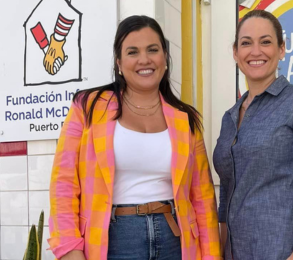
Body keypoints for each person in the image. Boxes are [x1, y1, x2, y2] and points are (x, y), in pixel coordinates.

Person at [48, 15, 221, 260]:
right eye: (132, 52)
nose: (144, 59)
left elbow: (203, 198)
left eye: (153, 49)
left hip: (176, 239)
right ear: (118, 62)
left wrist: (212, 256)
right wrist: (68, 248)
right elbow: (63, 184)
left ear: (165, 58)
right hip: (112, 239)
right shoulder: (87, 107)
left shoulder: (186, 118)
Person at [213, 10, 293, 260]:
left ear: (281, 49)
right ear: (236, 53)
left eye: (266, 42)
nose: (255, 51)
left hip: (283, 249)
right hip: (234, 252)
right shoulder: (230, 117)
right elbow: (228, 188)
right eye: (246, 43)